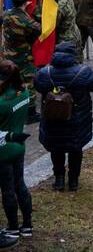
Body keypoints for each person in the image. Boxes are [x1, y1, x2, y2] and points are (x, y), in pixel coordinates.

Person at [33, 41, 93, 191]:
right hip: (77, 121)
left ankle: (59, 180)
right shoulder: (83, 72)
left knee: (56, 150)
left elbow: (37, 85)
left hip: (52, 120)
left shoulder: (45, 73)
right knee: (75, 150)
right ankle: (74, 181)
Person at [0, 60, 31, 242]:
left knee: (8, 190)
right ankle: (27, 225)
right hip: (19, 147)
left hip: (3, 151)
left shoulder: (2, 102)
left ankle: (12, 227)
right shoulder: (25, 92)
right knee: (20, 185)